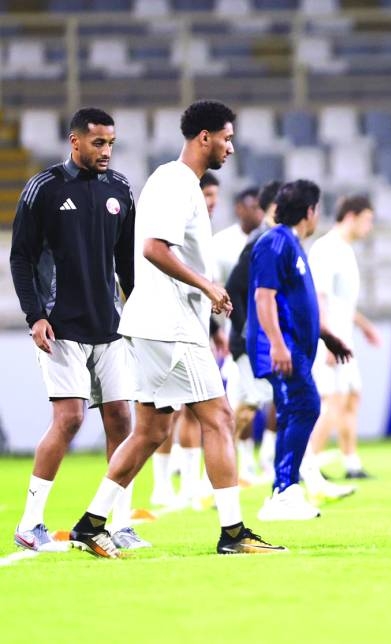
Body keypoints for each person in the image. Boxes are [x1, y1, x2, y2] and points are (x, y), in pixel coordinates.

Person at [67, 100, 285, 557]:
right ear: (204, 136)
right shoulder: (174, 182)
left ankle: (90, 524)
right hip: (170, 326)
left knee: (150, 432)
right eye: (226, 137)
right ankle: (233, 534)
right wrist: (207, 286)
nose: (230, 146)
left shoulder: (178, 183)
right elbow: (152, 248)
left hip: (158, 323)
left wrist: (206, 290)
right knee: (220, 418)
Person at [9, 107, 147, 552]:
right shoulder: (44, 188)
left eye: (111, 143)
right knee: (68, 419)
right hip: (61, 326)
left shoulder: (120, 189)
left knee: (123, 422)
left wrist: (140, 313)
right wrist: (36, 316)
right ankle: (31, 523)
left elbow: (126, 262)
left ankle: (120, 524)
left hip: (108, 325)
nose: (106, 151)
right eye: (98, 143)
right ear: (75, 141)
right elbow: (21, 258)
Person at [247, 179, 354, 520]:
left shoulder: (291, 245)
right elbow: (264, 297)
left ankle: (284, 491)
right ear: (310, 211)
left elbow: (297, 304)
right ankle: (284, 491)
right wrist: (278, 344)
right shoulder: (275, 243)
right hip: (280, 348)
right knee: (305, 406)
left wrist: (325, 335)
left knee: (296, 410)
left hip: (296, 347)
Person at [149, 171, 228, 510]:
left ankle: (190, 485)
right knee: (169, 414)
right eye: (207, 195)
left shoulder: (207, 235)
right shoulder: (177, 223)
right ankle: (163, 486)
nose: (211, 202)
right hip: (167, 326)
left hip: (194, 326)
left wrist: (213, 330)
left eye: (214, 197)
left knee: (194, 413)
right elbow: (161, 263)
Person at [308, 195, 379, 480]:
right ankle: (307, 464)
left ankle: (352, 464)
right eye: (367, 220)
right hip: (330, 338)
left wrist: (363, 325)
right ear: (351, 216)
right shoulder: (326, 249)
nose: (369, 227)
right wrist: (327, 339)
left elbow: (341, 301)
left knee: (351, 396)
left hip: (344, 336)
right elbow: (319, 298)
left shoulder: (345, 249)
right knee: (332, 401)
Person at [225, 180, 281, 484]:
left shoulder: (275, 238)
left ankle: (260, 464)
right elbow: (233, 286)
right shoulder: (260, 241)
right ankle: (223, 465)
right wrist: (246, 330)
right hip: (249, 340)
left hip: (261, 339)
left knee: (265, 401)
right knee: (250, 404)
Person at [213, 186, 262, 286]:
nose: (259, 213)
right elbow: (215, 281)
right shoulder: (221, 241)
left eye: (262, 208)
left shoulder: (270, 241)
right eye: (254, 207)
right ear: (239, 208)